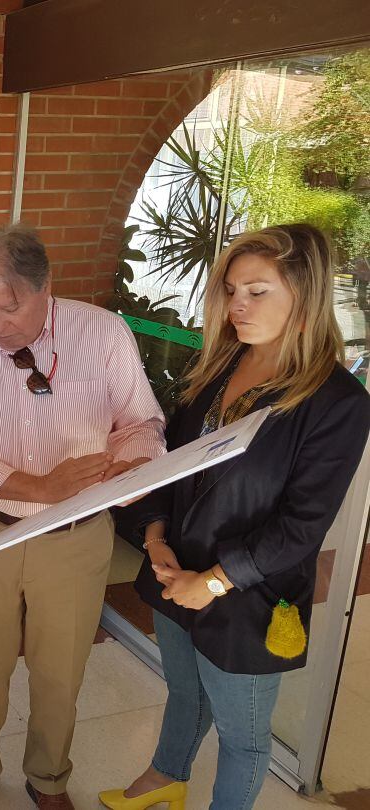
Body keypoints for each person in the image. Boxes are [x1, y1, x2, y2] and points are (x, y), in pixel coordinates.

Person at [100, 224, 370, 810]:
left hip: (248, 596)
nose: (236, 306)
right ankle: (166, 776)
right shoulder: (219, 368)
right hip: (176, 573)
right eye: (230, 290)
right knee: (183, 691)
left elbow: (303, 526)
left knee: (244, 740)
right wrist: (153, 535)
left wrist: (215, 581)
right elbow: (170, 466)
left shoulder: (337, 403)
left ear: (305, 294)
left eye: (257, 291)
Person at [0, 224, 167, 810]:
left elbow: (142, 422)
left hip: (77, 533)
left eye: (7, 309)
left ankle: (48, 776)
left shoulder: (103, 334)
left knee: (60, 667)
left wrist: (129, 468)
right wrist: (40, 484)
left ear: (45, 288)